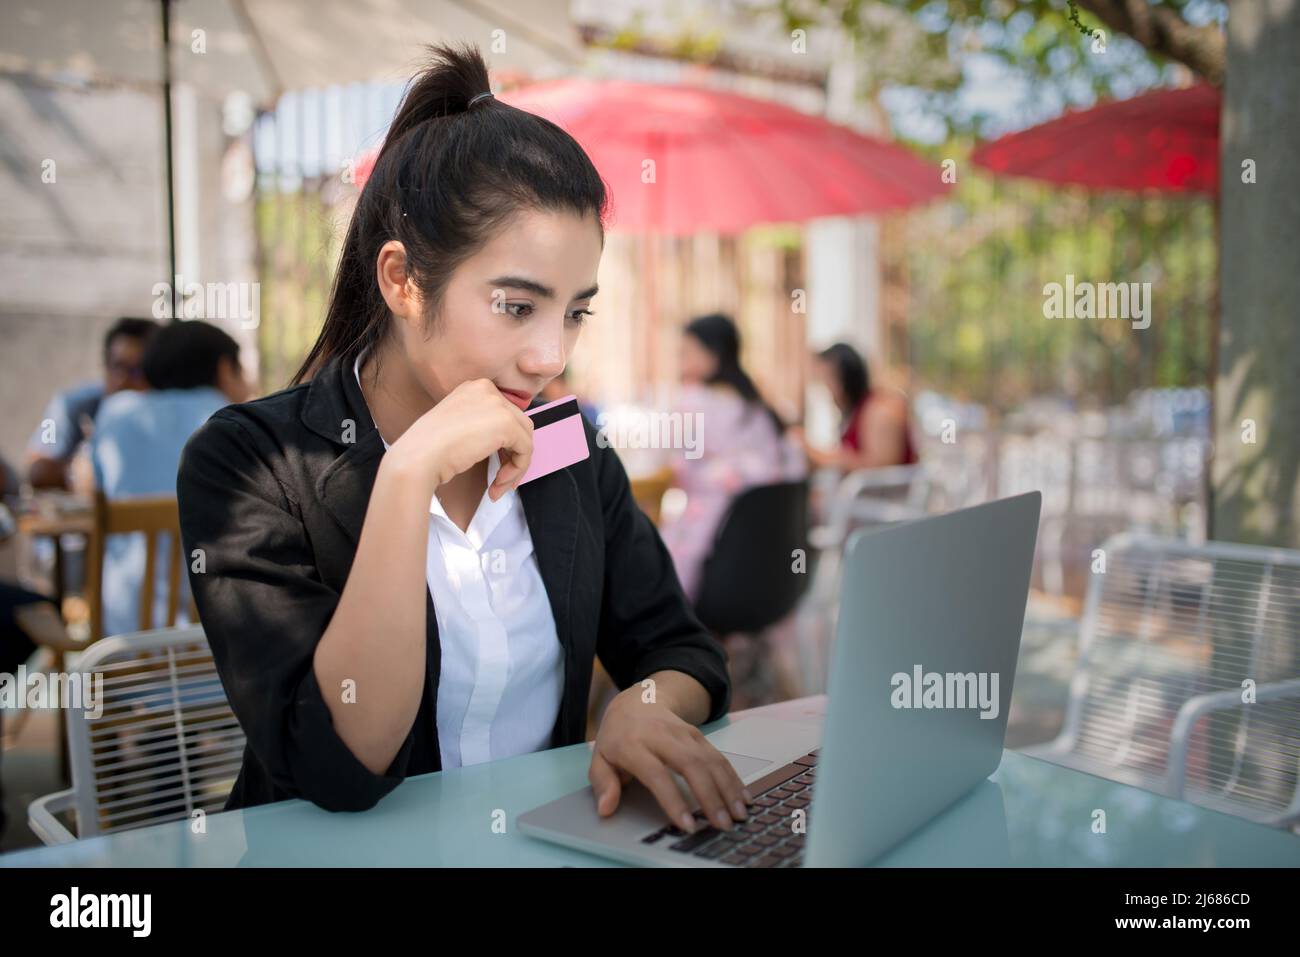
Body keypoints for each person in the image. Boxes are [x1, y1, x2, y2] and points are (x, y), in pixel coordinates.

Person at [175, 44, 749, 836]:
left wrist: (640, 709)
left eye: (576, 311)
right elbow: (342, 764)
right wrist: (407, 478)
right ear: (403, 280)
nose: (551, 355)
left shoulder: (564, 446)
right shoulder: (252, 461)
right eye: (518, 306)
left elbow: (683, 650)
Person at [91, 320, 250, 639]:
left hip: (122, 645)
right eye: (241, 372)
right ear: (223, 370)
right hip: (212, 645)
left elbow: (97, 488)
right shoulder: (235, 421)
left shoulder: (113, 414)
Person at [658, 314, 806, 602]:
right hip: (769, 563)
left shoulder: (693, 402)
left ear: (712, 354)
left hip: (711, 550)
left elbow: (674, 468)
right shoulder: (758, 406)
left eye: (685, 353)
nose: (680, 362)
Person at [25, 317, 159, 490]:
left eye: (135, 371)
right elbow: (37, 469)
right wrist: (76, 472)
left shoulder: (163, 415)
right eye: (117, 367)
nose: (123, 380)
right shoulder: (72, 405)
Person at [796, 342, 918, 470]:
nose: (826, 389)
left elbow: (880, 469)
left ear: (843, 380)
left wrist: (817, 454)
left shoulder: (880, 410)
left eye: (827, 380)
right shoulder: (855, 412)